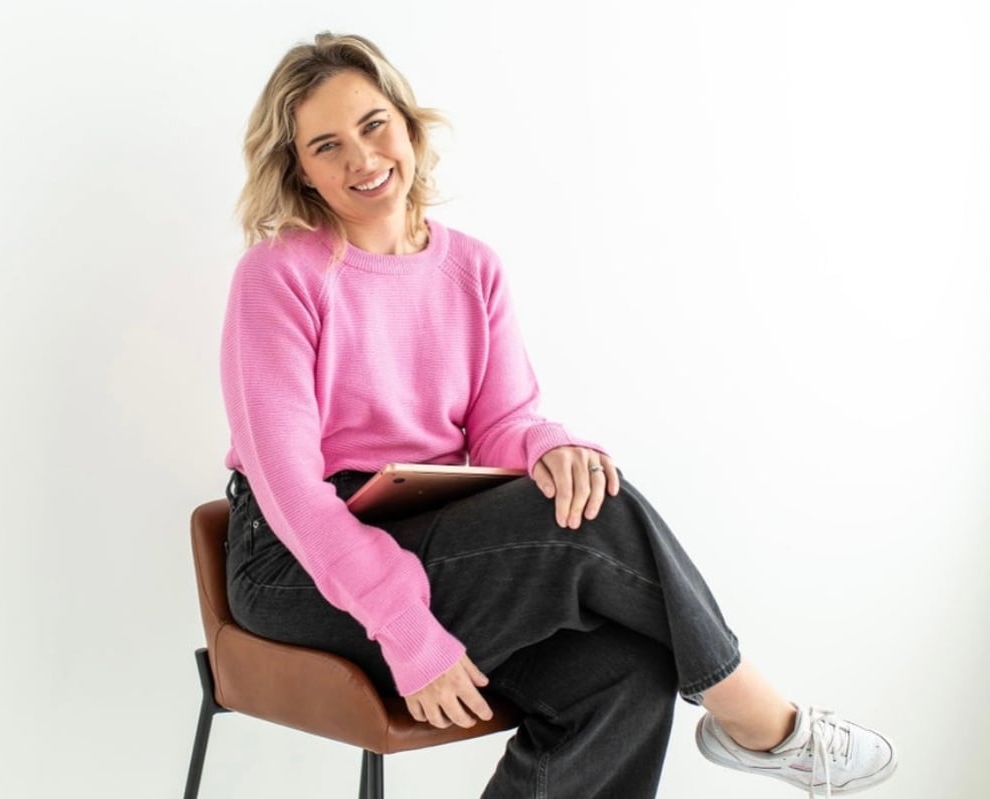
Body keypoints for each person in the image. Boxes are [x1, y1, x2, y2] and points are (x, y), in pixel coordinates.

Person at [219, 31, 898, 798]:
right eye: (327, 146)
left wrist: (551, 447)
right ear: (299, 168)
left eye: (374, 125)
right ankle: (764, 722)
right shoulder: (278, 276)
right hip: (294, 565)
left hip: (428, 528)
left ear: (408, 125)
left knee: (627, 666)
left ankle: (756, 722)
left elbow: (503, 423)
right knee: (598, 524)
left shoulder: (472, 266)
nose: (363, 160)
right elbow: (290, 491)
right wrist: (406, 629)